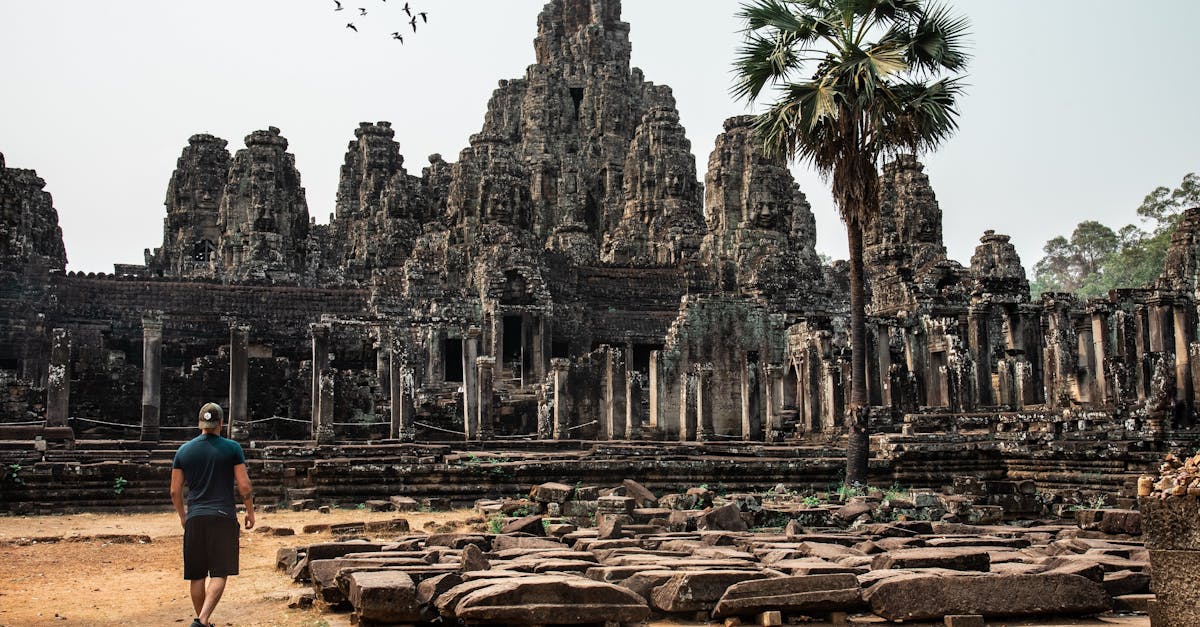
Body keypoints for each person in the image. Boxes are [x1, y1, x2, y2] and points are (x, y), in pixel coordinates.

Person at [170, 402, 255, 627]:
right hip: (223, 516)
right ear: (221, 423)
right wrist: (250, 512)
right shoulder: (232, 448)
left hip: (195, 517)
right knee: (219, 572)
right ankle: (203, 619)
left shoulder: (183, 451)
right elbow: (244, 486)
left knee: (197, 575)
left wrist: (183, 516)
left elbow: (174, 491)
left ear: (200, 424)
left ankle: (203, 623)